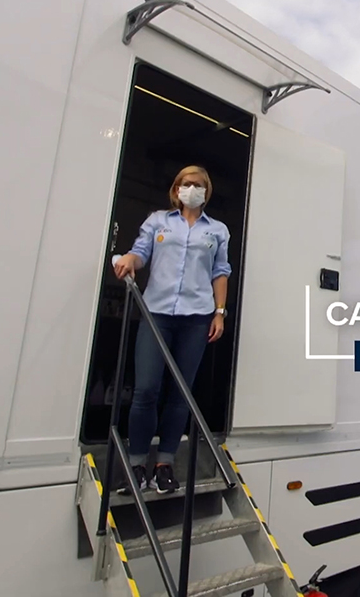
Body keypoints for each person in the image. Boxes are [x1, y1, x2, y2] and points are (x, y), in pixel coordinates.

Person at [112, 165, 231, 494]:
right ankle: (136, 465)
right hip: (157, 314)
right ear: (176, 188)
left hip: (197, 317)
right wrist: (129, 262)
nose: (192, 188)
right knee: (146, 389)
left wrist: (219, 313)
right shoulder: (158, 221)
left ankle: (164, 464)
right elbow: (141, 253)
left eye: (199, 184)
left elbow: (220, 272)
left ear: (207, 192)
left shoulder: (217, 230)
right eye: (186, 183)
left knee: (180, 393)